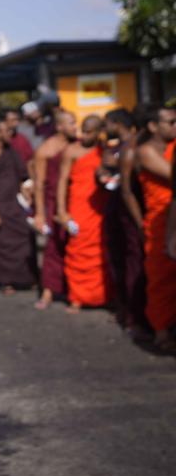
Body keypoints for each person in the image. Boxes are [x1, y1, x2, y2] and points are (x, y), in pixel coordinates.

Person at [0, 118, 37, 293]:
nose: (9, 133)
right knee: (3, 245)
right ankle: (6, 281)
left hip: (15, 202)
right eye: (5, 130)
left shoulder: (11, 151)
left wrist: (27, 190)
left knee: (25, 238)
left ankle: (27, 278)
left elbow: (21, 173)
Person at [56, 115, 109, 313]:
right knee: (78, 250)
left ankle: (102, 296)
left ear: (98, 133)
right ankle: (77, 297)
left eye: (89, 132)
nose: (83, 135)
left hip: (100, 206)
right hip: (79, 206)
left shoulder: (105, 151)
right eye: (82, 130)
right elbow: (62, 181)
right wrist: (61, 211)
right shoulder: (72, 151)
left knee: (102, 252)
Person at [136, 104, 176, 351]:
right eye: (170, 122)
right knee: (161, 278)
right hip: (161, 221)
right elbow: (173, 176)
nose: (175, 127)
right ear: (153, 127)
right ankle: (161, 332)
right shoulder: (146, 151)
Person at [100, 108, 144, 330]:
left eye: (107, 123)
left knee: (134, 262)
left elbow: (128, 189)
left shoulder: (134, 148)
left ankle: (136, 314)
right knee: (122, 259)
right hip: (120, 212)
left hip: (133, 213)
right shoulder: (115, 148)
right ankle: (128, 310)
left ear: (117, 123)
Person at [31, 111, 77, 310]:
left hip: (75, 200)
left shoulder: (78, 145)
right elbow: (39, 184)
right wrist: (40, 214)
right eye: (72, 123)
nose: (76, 127)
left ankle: (76, 290)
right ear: (59, 127)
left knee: (77, 245)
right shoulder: (45, 150)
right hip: (52, 202)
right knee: (53, 247)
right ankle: (48, 291)